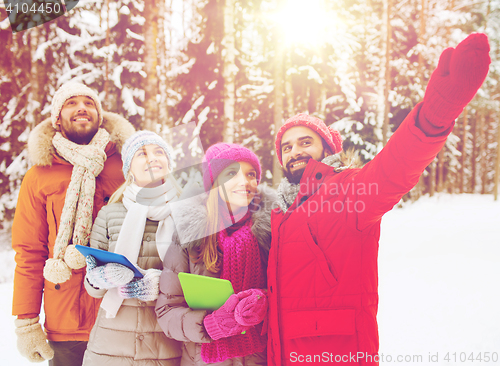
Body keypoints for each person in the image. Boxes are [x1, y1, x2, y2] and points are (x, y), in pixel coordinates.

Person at [267, 33, 490, 365]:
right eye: (287, 147)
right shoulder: (278, 215)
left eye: (305, 142)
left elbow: (396, 167)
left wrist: (437, 111)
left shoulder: (349, 192)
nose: (295, 151)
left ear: (326, 149)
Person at [11, 82, 135, 365]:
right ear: (57, 119)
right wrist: (27, 322)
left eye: (89, 103)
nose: (82, 107)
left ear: (99, 115)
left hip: (122, 311)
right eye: (71, 103)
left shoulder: (128, 166)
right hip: (66, 321)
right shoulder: (39, 175)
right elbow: (29, 252)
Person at [155, 143, 277, 366]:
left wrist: (264, 301)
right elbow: (166, 310)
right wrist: (208, 326)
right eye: (232, 173)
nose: (245, 181)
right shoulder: (189, 234)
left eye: (251, 174)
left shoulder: (271, 233)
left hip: (259, 358)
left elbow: (289, 295)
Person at [81, 130, 183, 365]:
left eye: (159, 152)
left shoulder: (187, 213)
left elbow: (198, 275)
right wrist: (100, 277)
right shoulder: (109, 214)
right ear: (129, 170)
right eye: (141, 153)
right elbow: (91, 286)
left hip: (166, 345)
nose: (152, 158)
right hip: (111, 345)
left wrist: (163, 283)